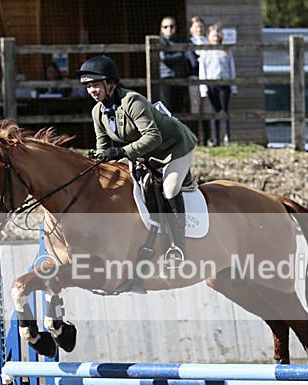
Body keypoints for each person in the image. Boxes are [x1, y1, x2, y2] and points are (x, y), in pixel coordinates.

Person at [77, 55, 197, 264]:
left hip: (174, 149)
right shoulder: (98, 111)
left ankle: (178, 247)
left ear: (111, 83)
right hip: (145, 154)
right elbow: (103, 146)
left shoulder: (132, 101)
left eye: (96, 85)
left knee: (169, 189)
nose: (92, 91)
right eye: (88, 87)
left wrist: (121, 152)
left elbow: (153, 136)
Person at [198, 23, 237, 147]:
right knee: (214, 111)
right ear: (208, 36)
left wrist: (233, 86)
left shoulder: (225, 51)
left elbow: (232, 69)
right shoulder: (205, 51)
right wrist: (203, 88)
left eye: (217, 35)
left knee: (224, 111)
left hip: (224, 84)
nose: (215, 37)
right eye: (213, 35)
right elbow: (202, 70)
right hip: (211, 84)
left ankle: (226, 136)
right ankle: (214, 138)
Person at [158, 15, 196, 114]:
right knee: (167, 108)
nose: (169, 29)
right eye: (165, 27)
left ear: (175, 27)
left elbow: (189, 57)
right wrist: (181, 55)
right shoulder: (159, 41)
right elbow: (165, 58)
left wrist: (177, 56)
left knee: (178, 108)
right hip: (166, 78)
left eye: (171, 26)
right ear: (161, 28)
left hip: (180, 77)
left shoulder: (181, 40)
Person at [188, 15, 209, 144]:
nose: (199, 29)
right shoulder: (189, 43)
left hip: (207, 78)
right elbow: (193, 62)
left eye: (201, 26)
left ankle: (207, 139)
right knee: (195, 108)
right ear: (191, 29)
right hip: (195, 77)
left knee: (207, 110)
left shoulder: (208, 42)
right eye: (196, 27)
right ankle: (195, 139)